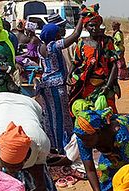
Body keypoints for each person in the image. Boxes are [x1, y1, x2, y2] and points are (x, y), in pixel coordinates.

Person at [0, 92, 59, 191]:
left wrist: (40, 184)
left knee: (42, 185)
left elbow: (38, 163)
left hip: (29, 105)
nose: (11, 171)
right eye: (7, 166)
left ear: (27, 157)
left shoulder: (41, 143)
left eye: (16, 166)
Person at [39, 18, 84, 154]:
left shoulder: (41, 47)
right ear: (54, 36)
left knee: (50, 115)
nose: (61, 34)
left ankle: (54, 143)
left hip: (46, 84)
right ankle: (61, 147)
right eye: (58, 33)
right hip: (56, 86)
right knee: (59, 116)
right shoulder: (53, 46)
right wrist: (81, 17)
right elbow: (76, 35)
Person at [70, 5, 119, 112]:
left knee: (108, 114)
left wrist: (108, 86)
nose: (94, 28)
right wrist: (69, 75)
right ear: (85, 27)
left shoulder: (107, 42)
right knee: (88, 114)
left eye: (96, 25)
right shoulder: (82, 43)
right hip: (86, 85)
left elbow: (114, 66)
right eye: (91, 25)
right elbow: (76, 62)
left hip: (104, 85)